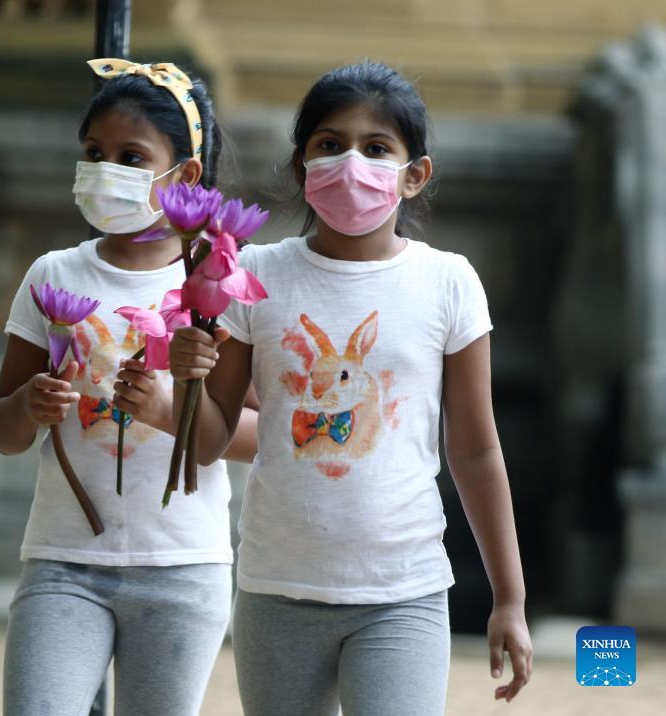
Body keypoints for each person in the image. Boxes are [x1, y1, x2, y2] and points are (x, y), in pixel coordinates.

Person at [169, 62, 533, 715]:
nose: (351, 163)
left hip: (403, 593)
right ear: (301, 165)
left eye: (376, 148)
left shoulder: (448, 283)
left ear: (414, 173)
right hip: (275, 590)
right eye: (330, 144)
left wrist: (510, 597)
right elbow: (209, 438)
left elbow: (476, 449)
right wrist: (183, 378)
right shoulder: (251, 276)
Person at [0, 59, 258, 716]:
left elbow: (260, 433)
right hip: (62, 563)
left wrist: (168, 409)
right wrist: (28, 405)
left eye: (131, 157)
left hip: (182, 569)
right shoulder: (52, 275)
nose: (105, 170)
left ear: (184, 176)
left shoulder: (220, 283)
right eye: (93, 153)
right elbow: (1, 431)